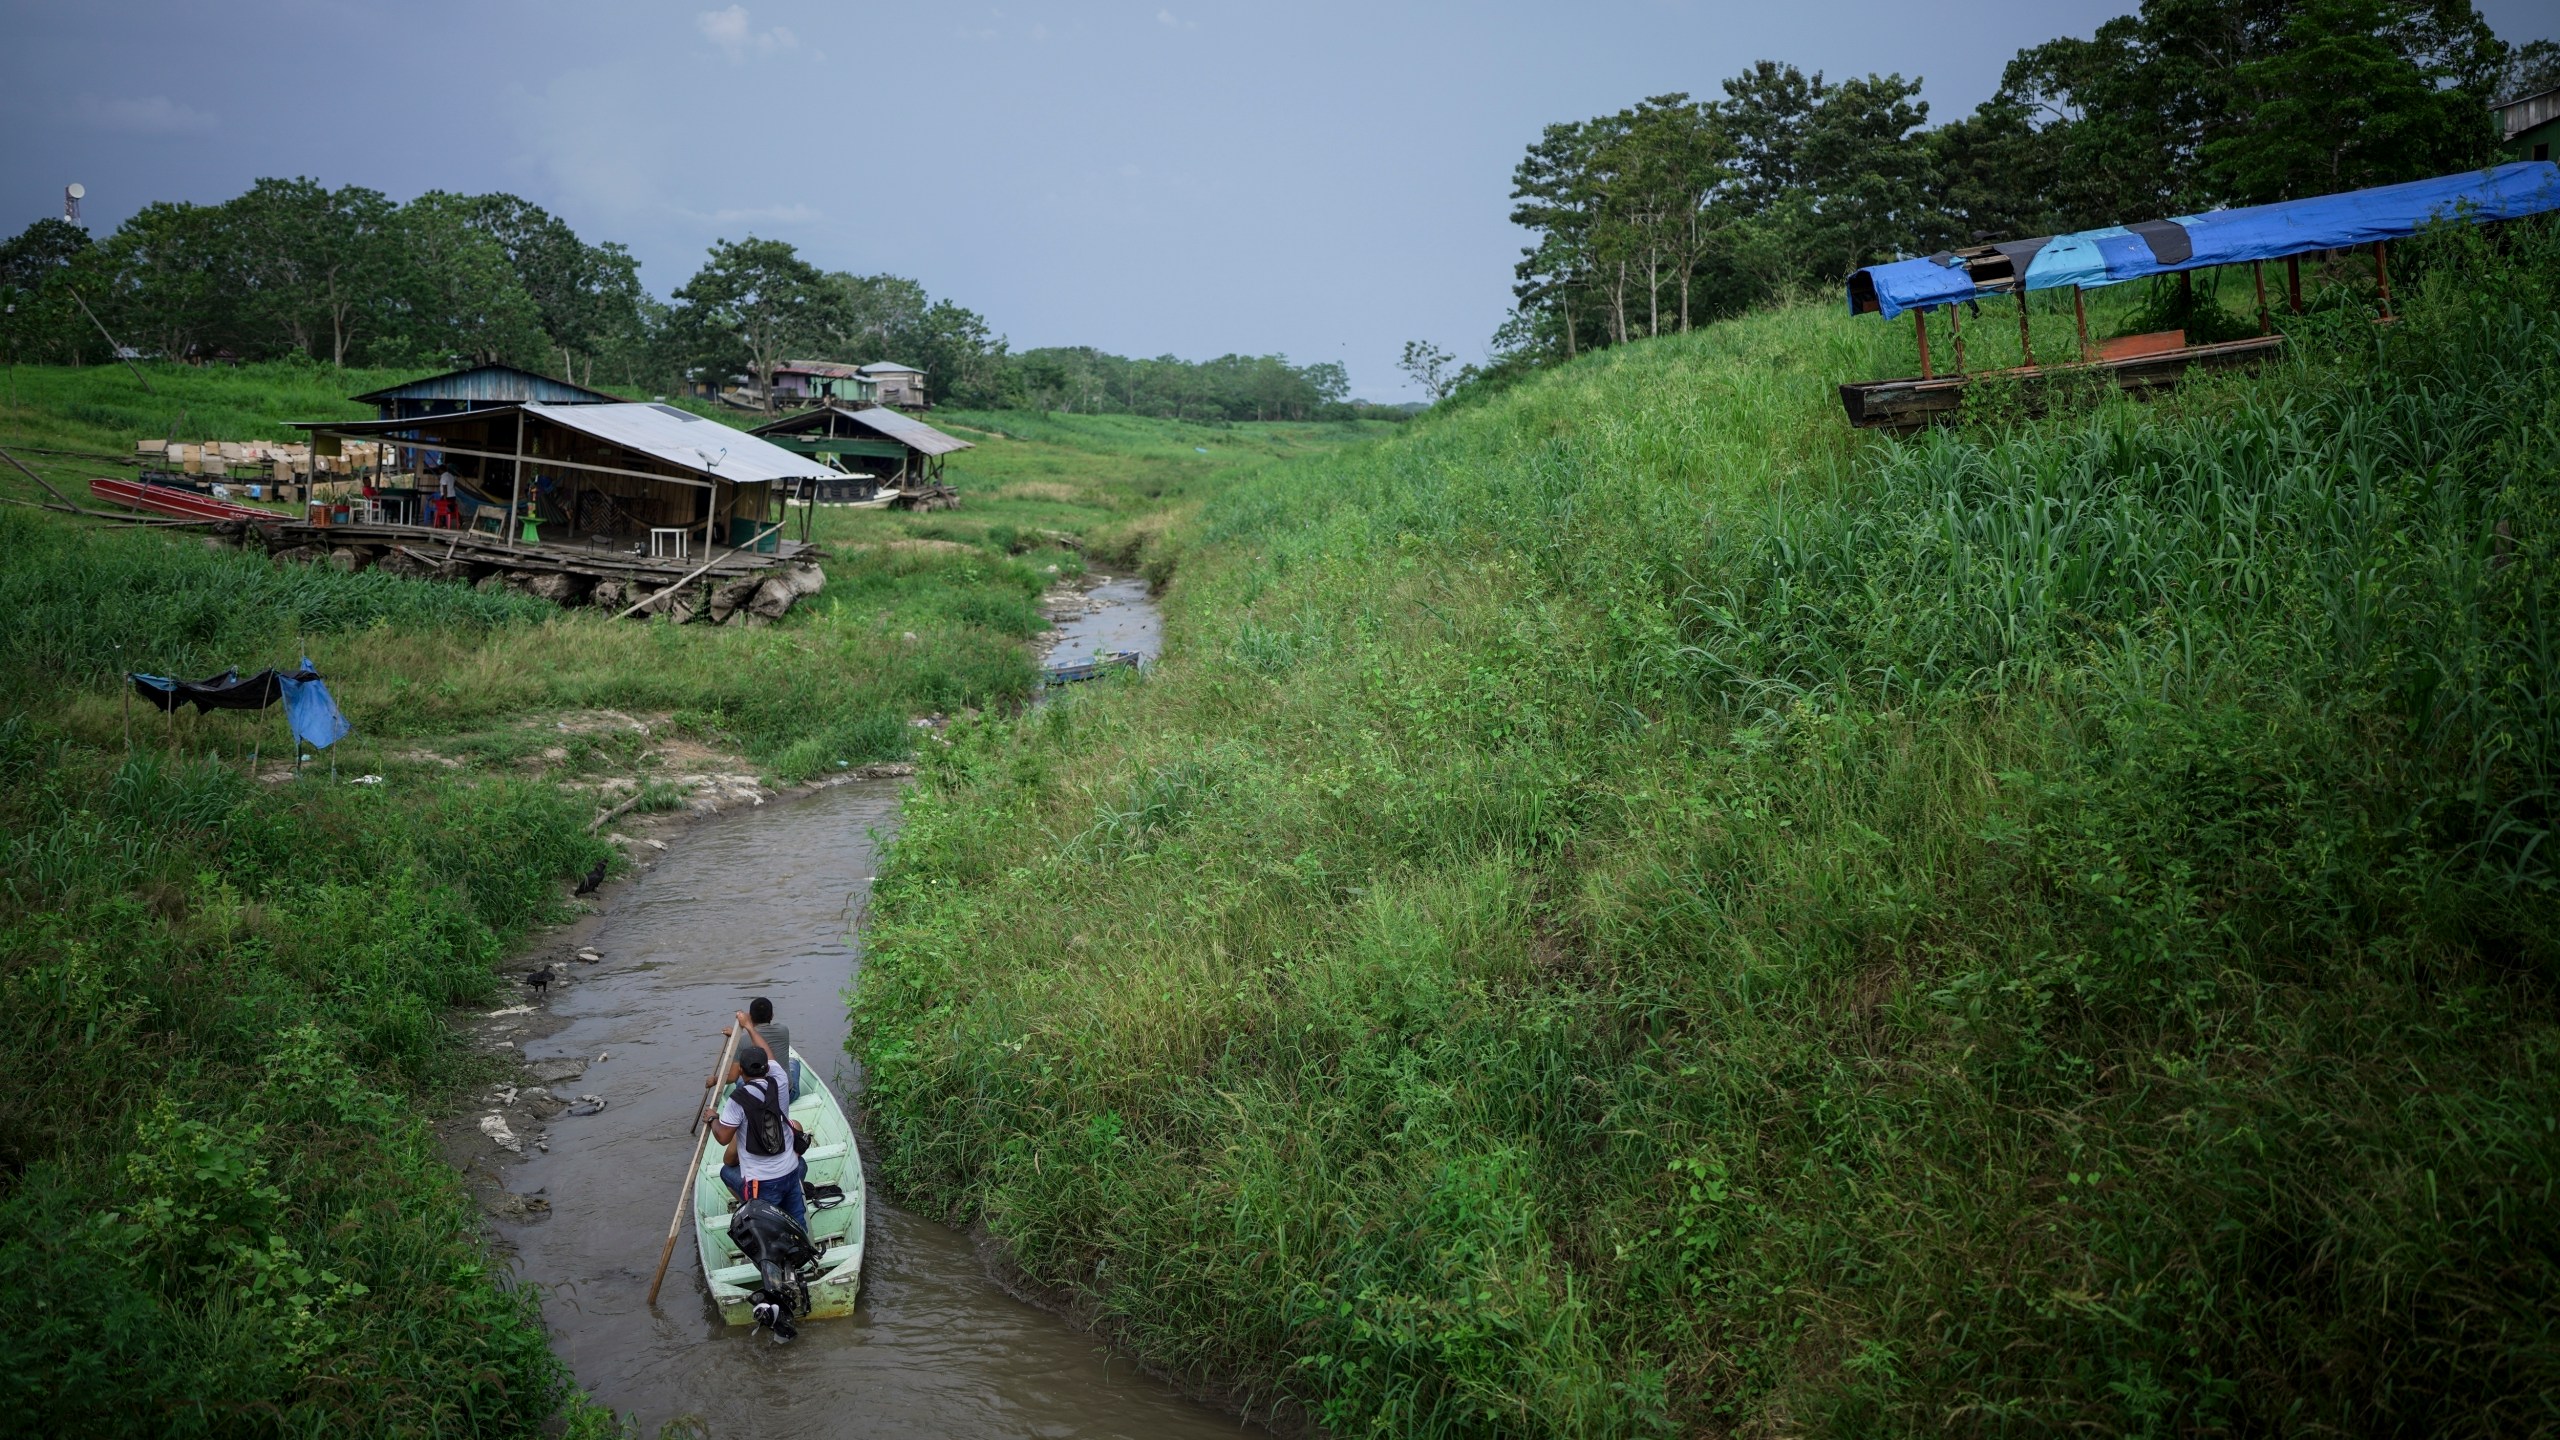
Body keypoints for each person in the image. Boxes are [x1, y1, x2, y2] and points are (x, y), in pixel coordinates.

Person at [710, 1041, 807, 1230]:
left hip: (763, 1182)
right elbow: (771, 1056)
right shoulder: (780, 1083)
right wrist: (748, 1026)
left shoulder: (737, 1100)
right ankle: (804, 1251)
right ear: (768, 1067)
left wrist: (713, 1119)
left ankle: (751, 1211)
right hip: (791, 1171)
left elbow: (722, 1138)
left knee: (766, 1231)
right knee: (798, 1221)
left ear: (741, 1071)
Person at [741, 996, 799, 1095]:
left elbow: (754, 1035)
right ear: (772, 1016)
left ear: (750, 1017)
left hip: (758, 1098)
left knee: (740, 1077)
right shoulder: (784, 1030)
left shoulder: (743, 1040)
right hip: (786, 1094)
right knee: (794, 1062)